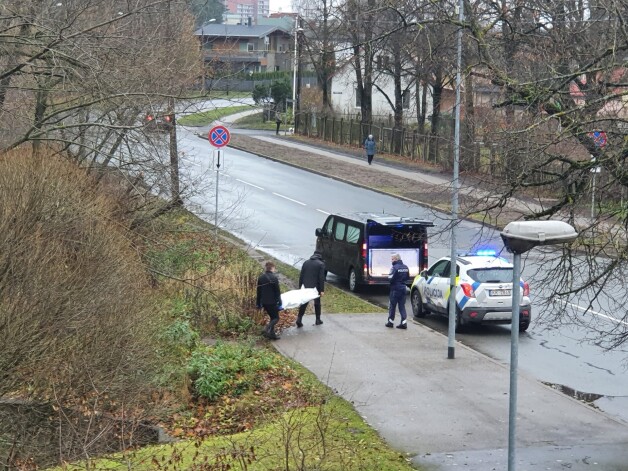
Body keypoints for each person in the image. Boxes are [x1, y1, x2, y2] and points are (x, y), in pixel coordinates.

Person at [296, 251, 326, 327]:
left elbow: (301, 276)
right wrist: (322, 290)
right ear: (320, 256)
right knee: (317, 303)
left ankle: (299, 319)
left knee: (304, 302)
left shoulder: (306, 262)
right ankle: (318, 319)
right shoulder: (321, 264)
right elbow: (321, 278)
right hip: (315, 288)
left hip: (305, 286)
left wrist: (300, 287)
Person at [256, 261, 282, 340]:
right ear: (272, 268)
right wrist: (280, 301)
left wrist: (258, 303)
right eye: (274, 268)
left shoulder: (261, 278)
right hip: (272, 302)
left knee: (272, 317)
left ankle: (272, 335)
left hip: (264, 302)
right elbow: (277, 291)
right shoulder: (274, 278)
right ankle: (267, 328)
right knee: (276, 318)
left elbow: (259, 291)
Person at [386, 253, 410, 329]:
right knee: (402, 306)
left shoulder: (394, 268)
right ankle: (404, 322)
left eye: (392, 259)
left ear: (396, 259)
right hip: (403, 288)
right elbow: (407, 277)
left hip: (395, 289)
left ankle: (390, 322)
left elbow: (390, 278)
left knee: (392, 306)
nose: (391, 261)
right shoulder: (406, 267)